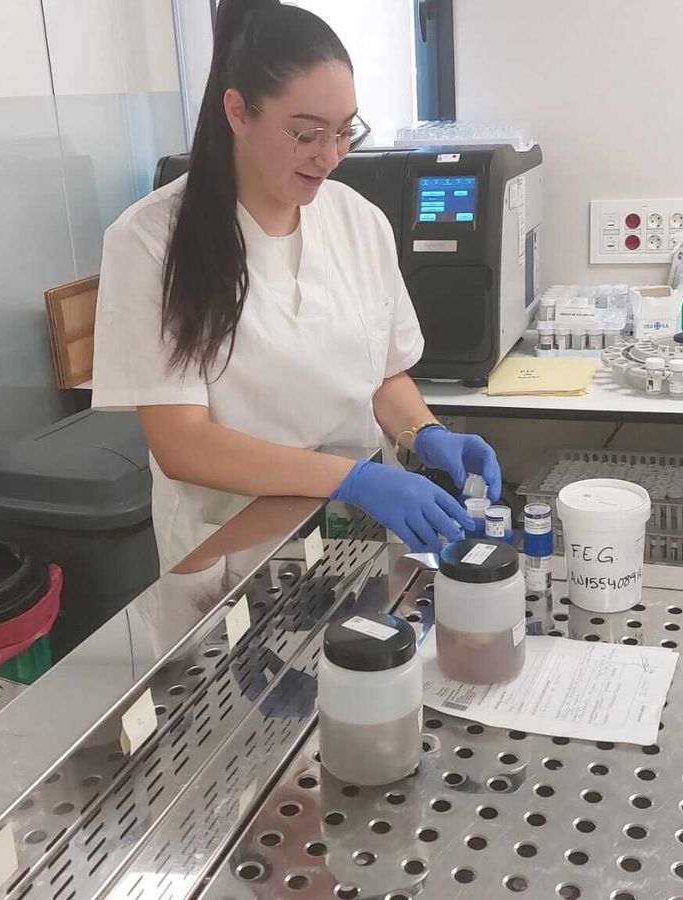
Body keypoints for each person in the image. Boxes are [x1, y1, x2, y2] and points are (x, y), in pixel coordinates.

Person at [92, 0, 501, 571]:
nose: (330, 157)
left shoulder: (359, 221)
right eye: (307, 134)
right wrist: (354, 478)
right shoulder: (150, 241)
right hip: (230, 556)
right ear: (238, 112)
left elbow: (382, 374)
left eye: (344, 131)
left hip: (354, 538)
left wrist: (425, 433)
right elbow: (182, 443)